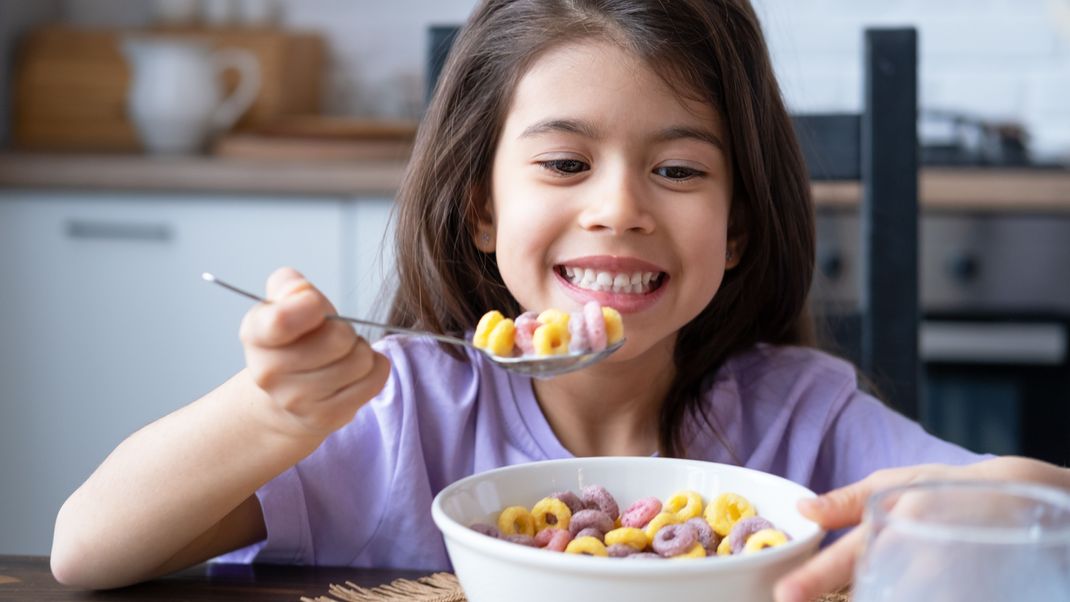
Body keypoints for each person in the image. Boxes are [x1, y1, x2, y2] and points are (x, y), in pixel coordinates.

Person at [51, 1, 1070, 600]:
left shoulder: (802, 422)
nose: (617, 209)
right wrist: (272, 409)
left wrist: (1014, 510)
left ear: (739, 226)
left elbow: (1038, 518)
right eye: (564, 162)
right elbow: (88, 547)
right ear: (480, 210)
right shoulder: (402, 410)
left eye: (676, 171)